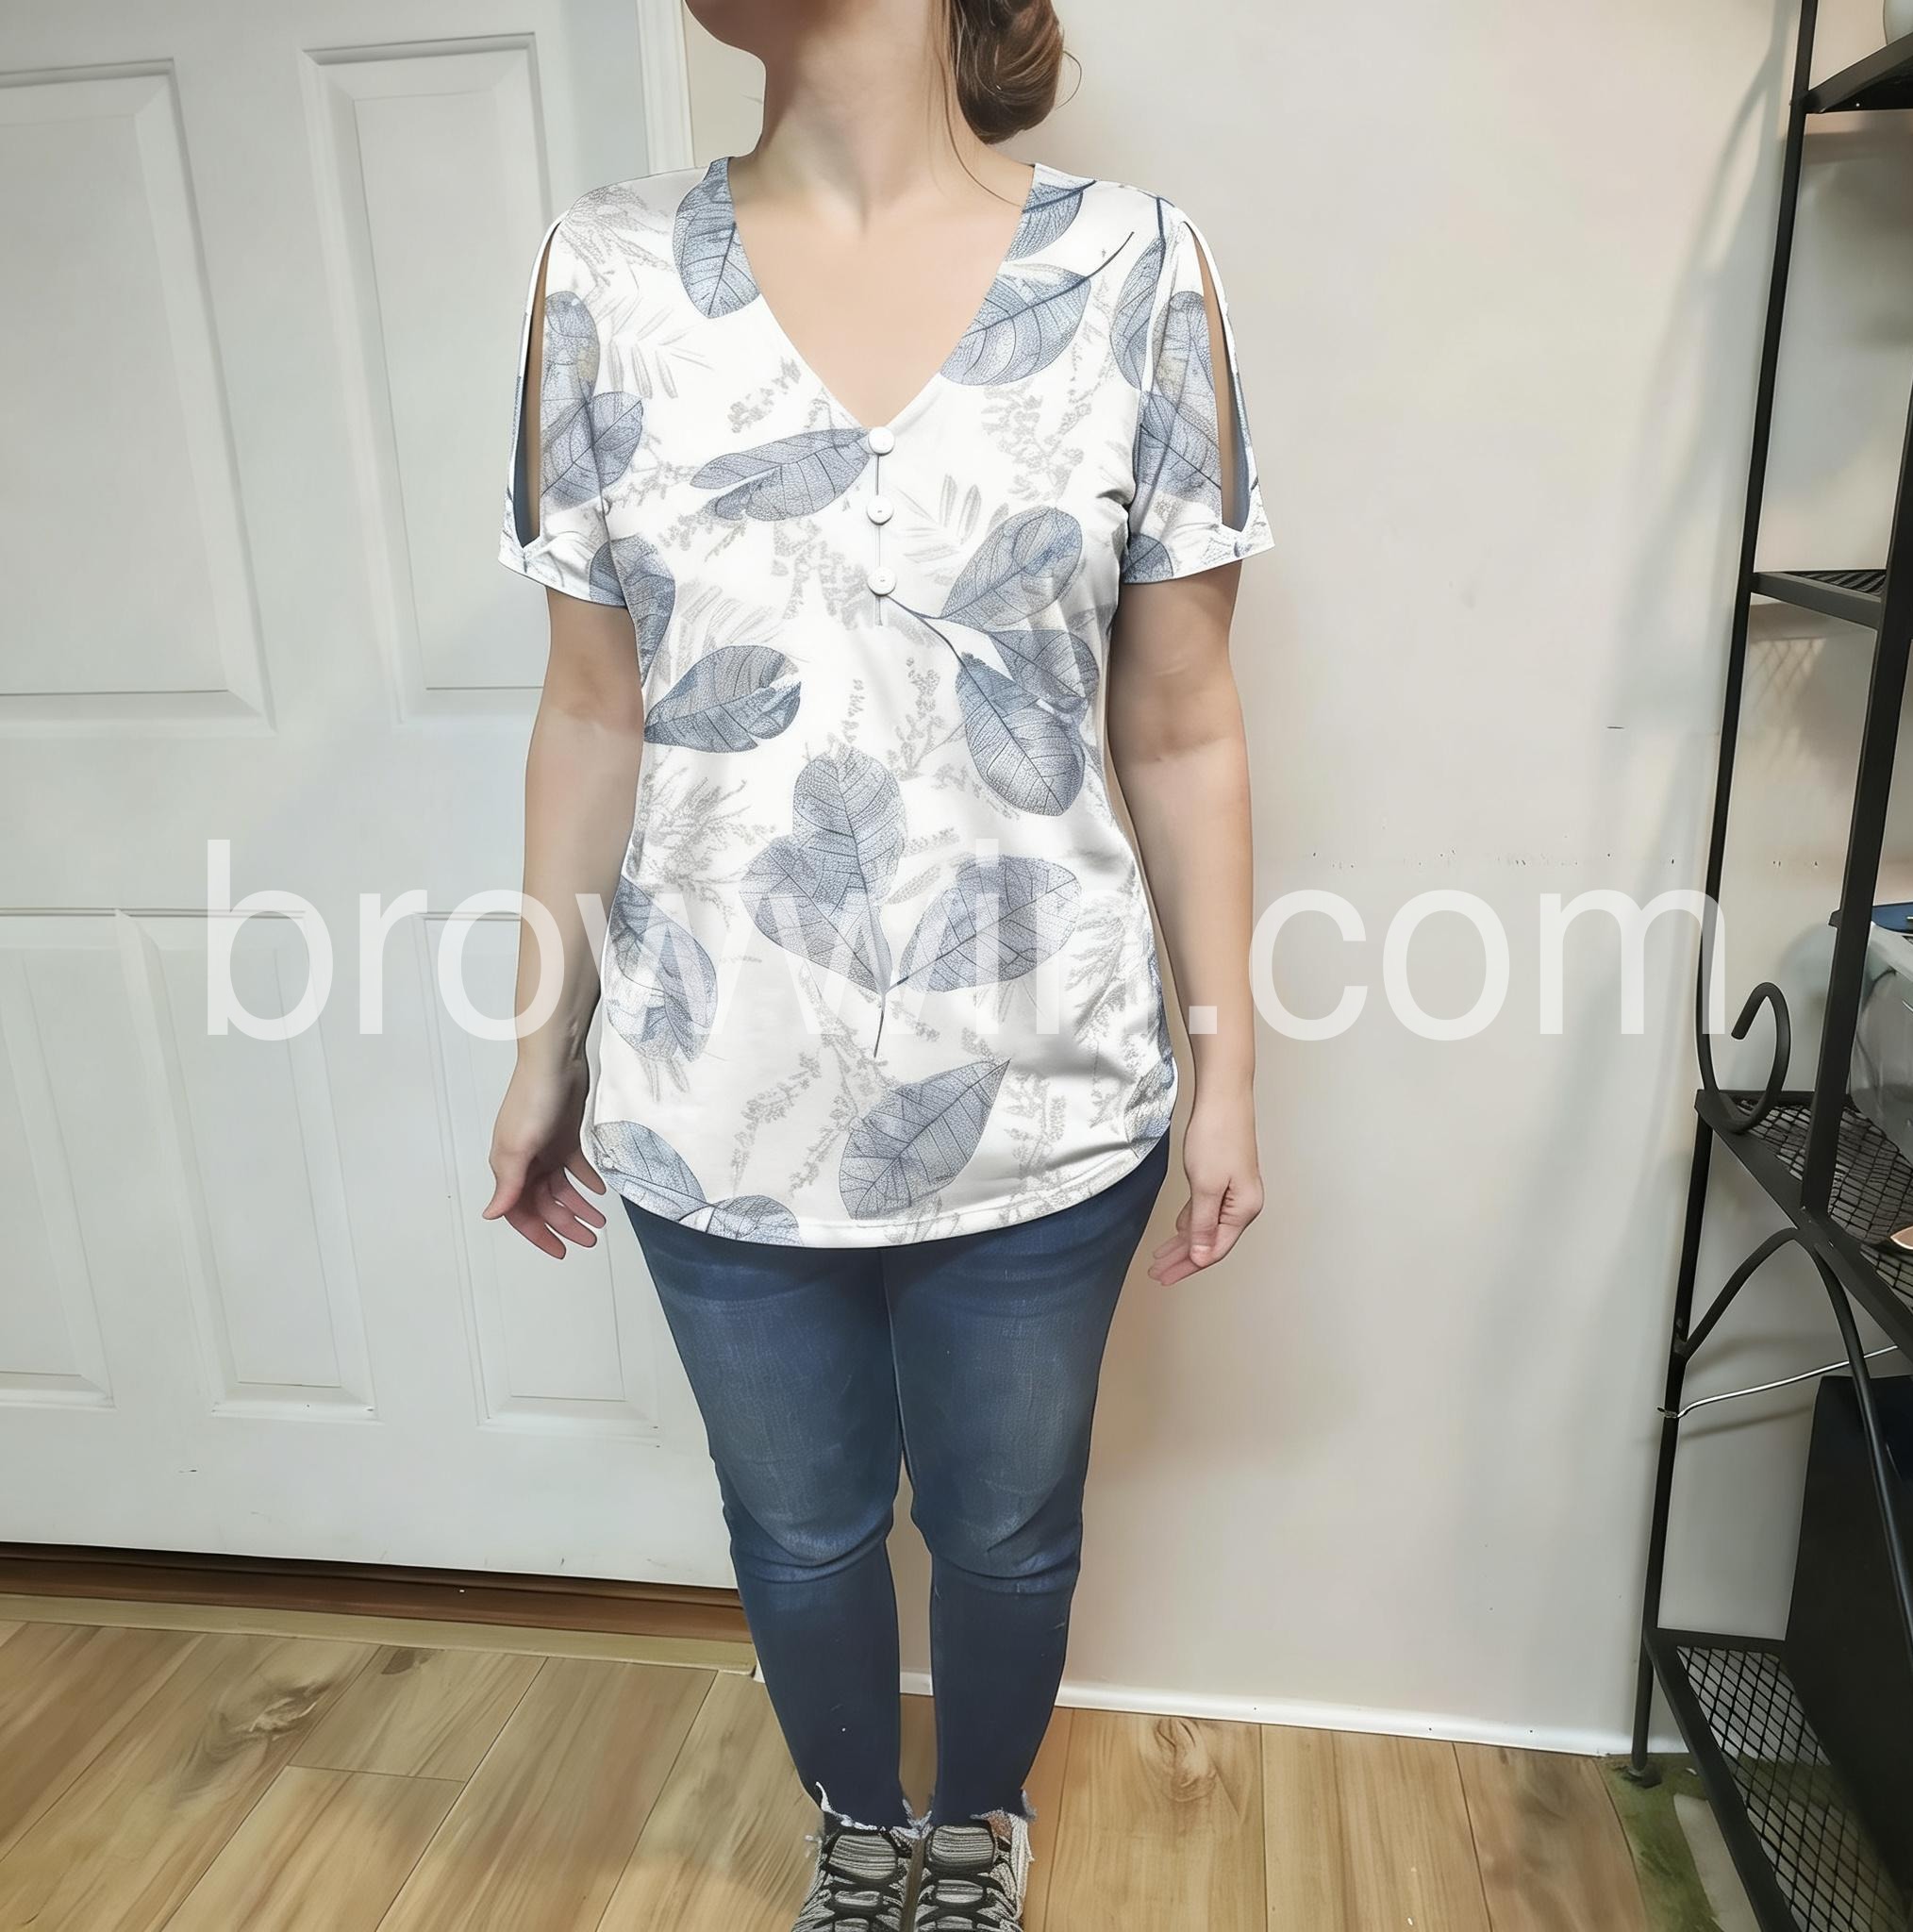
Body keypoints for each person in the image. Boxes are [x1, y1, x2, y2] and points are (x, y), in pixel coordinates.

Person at [484, 1, 1273, 1924]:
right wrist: (539, 1047)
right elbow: (592, 710)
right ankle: (856, 1823)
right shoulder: (604, 279)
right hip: (712, 1086)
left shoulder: (1136, 274)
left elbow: (1180, 723)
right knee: (798, 1523)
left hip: (1048, 1088)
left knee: (1005, 1529)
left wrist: (1229, 1067)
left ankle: (975, 1824)